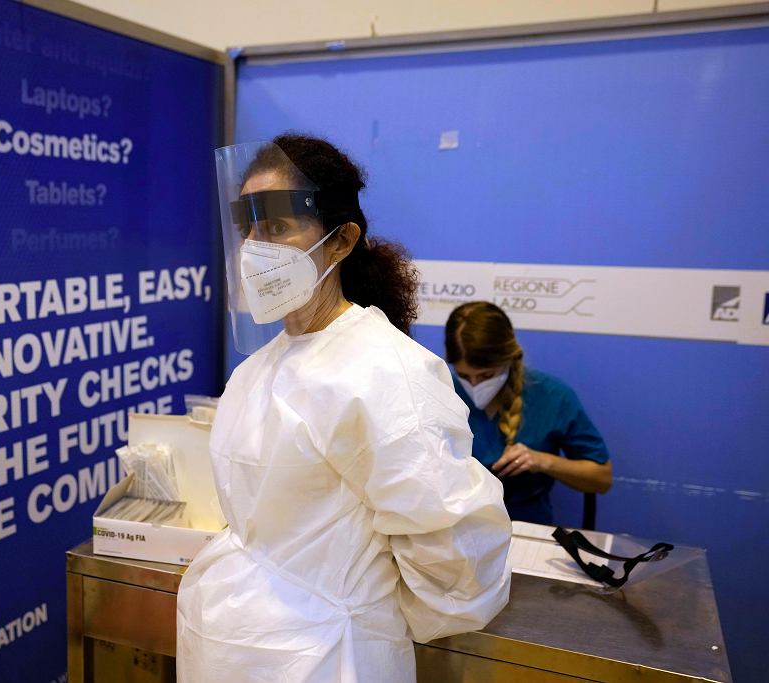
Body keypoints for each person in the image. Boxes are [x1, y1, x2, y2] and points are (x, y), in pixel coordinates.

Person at [176, 135, 512, 682]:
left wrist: (357, 615)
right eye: (250, 229)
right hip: (229, 649)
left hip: (331, 659)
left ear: (340, 241)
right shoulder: (255, 370)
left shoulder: (385, 372)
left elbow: (454, 559)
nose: (256, 248)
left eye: (279, 227)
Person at [444, 301, 613, 524]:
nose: (474, 385)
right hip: (456, 526)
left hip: (526, 528)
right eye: (464, 376)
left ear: (509, 359)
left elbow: (601, 478)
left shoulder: (552, 396)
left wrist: (542, 461)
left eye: (486, 376)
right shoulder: (442, 391)